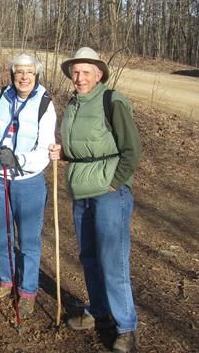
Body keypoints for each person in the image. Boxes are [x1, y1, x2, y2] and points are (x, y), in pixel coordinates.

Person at [49, 47, 142, 353]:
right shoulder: (74, 104)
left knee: (112, 261)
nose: (79, 77)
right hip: (81, 192)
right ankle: (100, 310)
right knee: (89, 257)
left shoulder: (111, 101)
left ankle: (126, 326)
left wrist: (116, 183)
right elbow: (82, 147)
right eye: (75, 72)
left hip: (108, 193)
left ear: (99, 74)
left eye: (86, 72)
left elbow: (131, 149)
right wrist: (63, 153)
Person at [0, 53, 56, 319]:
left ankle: (28, 291)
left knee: (29, 239)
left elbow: (45, 149)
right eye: (19, 72)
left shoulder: (44, 103)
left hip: (28, 182)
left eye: (29, 73)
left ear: (36, 76)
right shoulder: (0, 96)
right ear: (12, 75)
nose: (24, 77)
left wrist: (19, 159)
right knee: (0, 233)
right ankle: (6, 280)